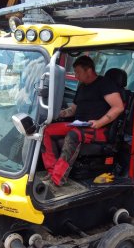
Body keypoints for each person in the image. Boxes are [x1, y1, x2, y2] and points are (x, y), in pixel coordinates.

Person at [42, 55, 124, 186]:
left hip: (98, 129)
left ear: (89, 71)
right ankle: (52, 171)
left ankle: (57, 179)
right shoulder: (82, 87)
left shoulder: (105, 84)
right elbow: (73, 110)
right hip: (79, 125)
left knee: (73, 135)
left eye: (78, 72)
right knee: (46, 130)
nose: (75, 76)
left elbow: (118, 107)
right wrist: (58, 113)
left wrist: (99, 122)